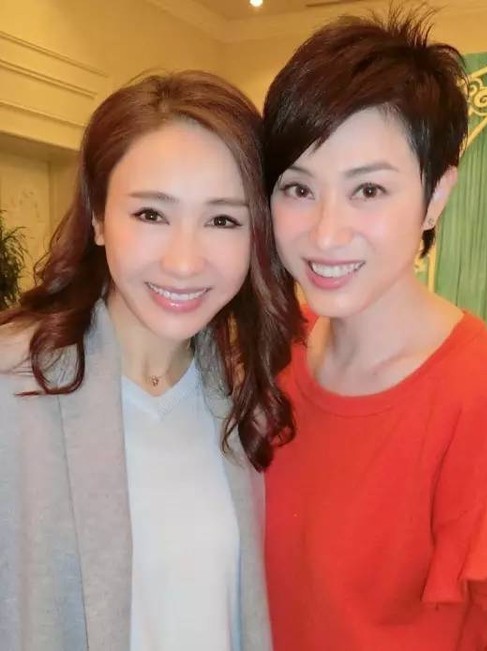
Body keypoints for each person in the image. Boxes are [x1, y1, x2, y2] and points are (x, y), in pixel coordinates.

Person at [262, 9, 487, 651]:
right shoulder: (274, 349)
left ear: (435, 196)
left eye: (369, 190)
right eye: (298, 189)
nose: (326, 233)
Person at [0, 70, 301, 651]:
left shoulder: (243, 394)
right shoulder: (14, 386)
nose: (184, 263)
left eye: (222, 220)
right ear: (98, 218)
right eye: (151, 215)